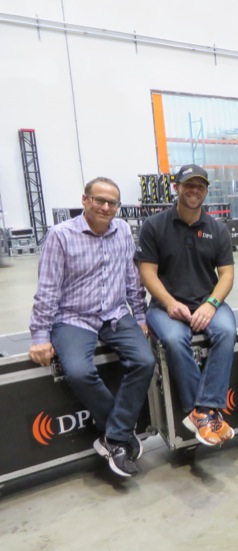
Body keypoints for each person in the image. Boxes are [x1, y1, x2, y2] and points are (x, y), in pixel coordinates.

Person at [29, 177, 155, 478]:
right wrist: (40, 335)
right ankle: (122, 433)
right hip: (73, 317)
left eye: (112, 202)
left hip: (114, 313)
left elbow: (130, 278)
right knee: (79, 371)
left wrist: (139, 315)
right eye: (100, 200)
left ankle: (112, 438)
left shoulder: (123, 230)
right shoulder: (60, 236)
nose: (106, 207)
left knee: (145, 360)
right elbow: (47, 289)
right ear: (85, 200)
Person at [137, 164, 236, 447]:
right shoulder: (154, 226)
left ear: (206, 191)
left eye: (200, 186)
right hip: (165, 307)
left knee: (227, 332)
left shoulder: (217, 229)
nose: (194, 191)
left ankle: (202, 411)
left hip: (207, 303)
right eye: (188, 185)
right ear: (176, 188)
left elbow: (227, 275)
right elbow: (147, 272)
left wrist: (211, 304)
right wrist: (169, 303)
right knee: (173, 338)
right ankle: (206, 414)